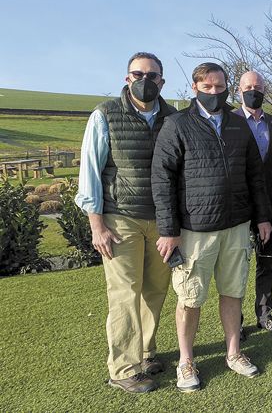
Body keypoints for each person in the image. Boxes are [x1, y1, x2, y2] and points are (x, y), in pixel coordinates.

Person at [152, 62, 272, 392]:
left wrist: (262, 216)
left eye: (220, 88)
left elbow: (255, 175)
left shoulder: (238, 125)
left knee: (233, 292)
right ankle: (186, 360)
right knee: (190, 298)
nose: (215, 93)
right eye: (208, 88)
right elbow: (162, 180)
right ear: (194, 88)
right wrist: (168, 229)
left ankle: (234, 353)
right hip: (194, 230)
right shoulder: (176, 125)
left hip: (236, 225)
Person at [75, 52, 176, 393]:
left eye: (152, 75)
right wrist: (96, 224)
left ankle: (146, 352)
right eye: (137, 74)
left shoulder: (173, 118)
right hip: (120, 219)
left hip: (161, 221)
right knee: (124, 293)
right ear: (127, 78)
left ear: (162, 81)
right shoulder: (105, 115)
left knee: (155, 290)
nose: (144, 80)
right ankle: (123, 368)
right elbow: (90, 170)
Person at [233, 70, 272, 337]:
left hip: (270, 205)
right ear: (239, 89)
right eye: (248, 86)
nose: (253, 90)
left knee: (266, 261)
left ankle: (264, 313)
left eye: (258, 86)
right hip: (238, 206)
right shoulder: (228, 121)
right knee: (236, 265)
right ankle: (236, 320)